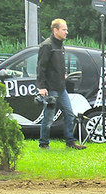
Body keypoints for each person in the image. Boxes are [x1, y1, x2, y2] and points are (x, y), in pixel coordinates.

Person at [36, 19, 86, 150]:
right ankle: (44, 143)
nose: (66, 32)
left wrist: (63, 75)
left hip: (61, 88)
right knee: (49, 118)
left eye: (66, 29)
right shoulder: (47, 45)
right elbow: (41, 67)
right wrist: (41, 87)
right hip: (50, 88)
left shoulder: (60, 45)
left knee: (69, 113)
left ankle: (70, 142)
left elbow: (57, 65)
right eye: (64, 29)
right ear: (55, 30)